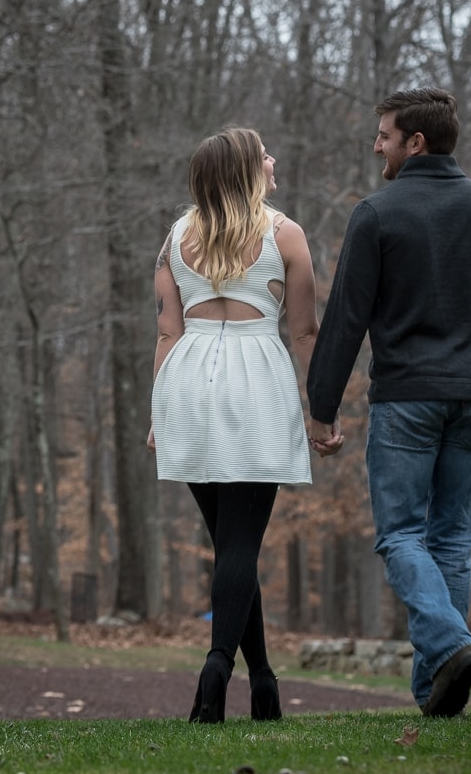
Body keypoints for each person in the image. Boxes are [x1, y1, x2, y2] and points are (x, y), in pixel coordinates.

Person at [305, 88, 471, 719]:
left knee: (402, 537)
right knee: (451, 545)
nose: (375, 143)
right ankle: (435, 697)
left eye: (383, 133)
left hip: (407, 400)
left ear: (416, 141)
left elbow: (346, 319)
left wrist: (321, 406)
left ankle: (452, 643)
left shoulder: (378, 213)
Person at [149, 128, 318, 723]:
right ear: (247, 171)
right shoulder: (285, 234)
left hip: (188, 382)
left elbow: (168, 331)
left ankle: (264, 682)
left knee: (230, 549)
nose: (273, 160)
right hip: (256, 384)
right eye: (264, 154)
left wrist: (157, 414)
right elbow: (303, 334)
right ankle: (218, 665)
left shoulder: (177, 236)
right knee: (240, 546)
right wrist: (320, 411)